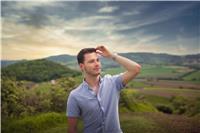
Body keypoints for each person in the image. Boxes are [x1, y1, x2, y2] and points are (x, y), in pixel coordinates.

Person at [67, 45, 141, 133]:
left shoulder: (113, 82)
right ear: (82, 66)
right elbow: (72, 129)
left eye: (97, 60)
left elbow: (136, 69)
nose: (97, 64)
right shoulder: (75, 95)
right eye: (91, 61)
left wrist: (112, 56)